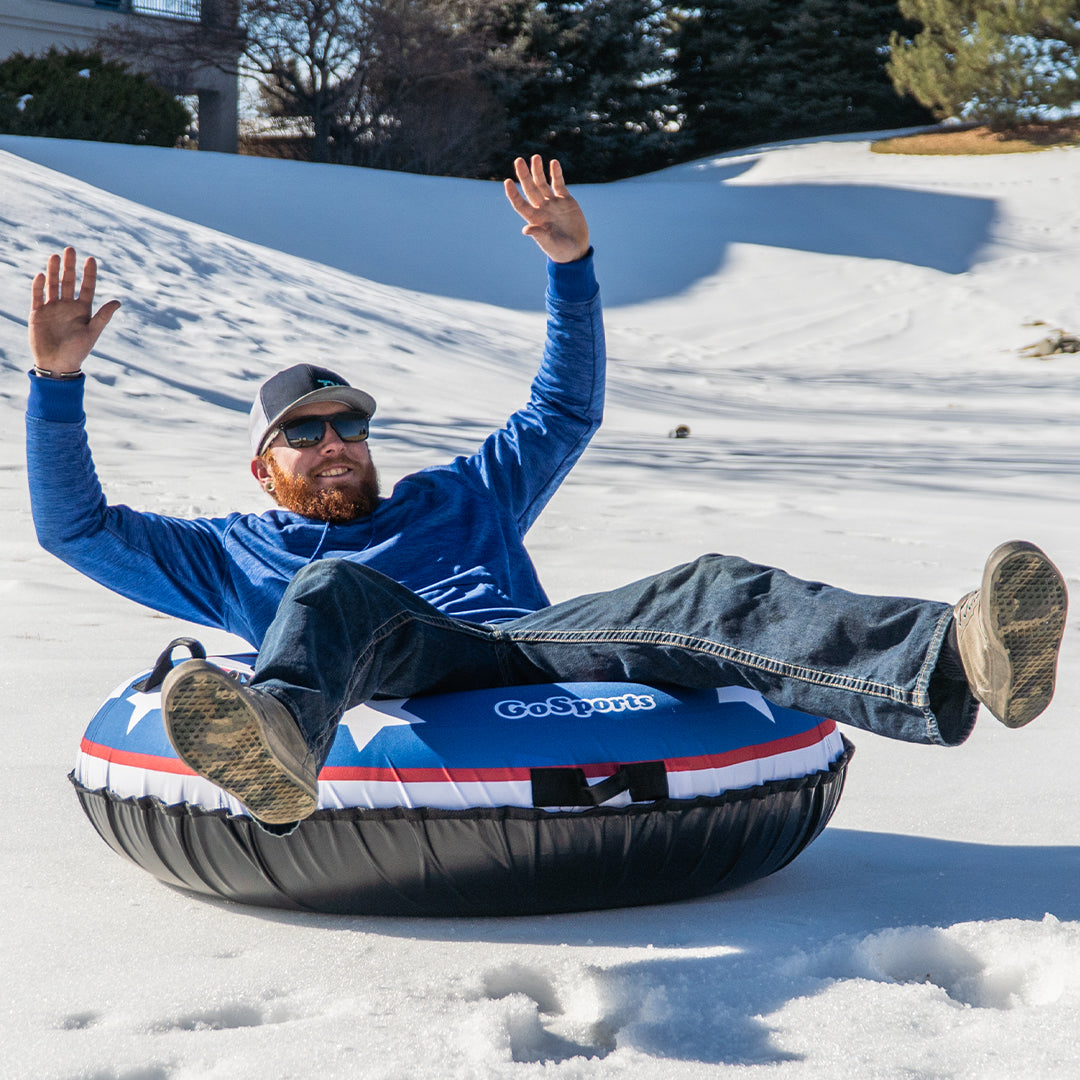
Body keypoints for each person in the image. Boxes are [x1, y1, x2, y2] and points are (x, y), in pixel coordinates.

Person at [27, 156, 1068, 834]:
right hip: (391, 663)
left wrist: (572, 267)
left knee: (708, 586)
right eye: (306, 433)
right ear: (264, 465)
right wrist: (57, 385)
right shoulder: (227, 554)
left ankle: (956, 655)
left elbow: (560, 414)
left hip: (527, 643)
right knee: (337, 584)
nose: (336, 442)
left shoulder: (460, 498)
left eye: (351, 423)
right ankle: (280, 747)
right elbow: (74, 528)